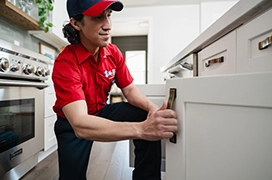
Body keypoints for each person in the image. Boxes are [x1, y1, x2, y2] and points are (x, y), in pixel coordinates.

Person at [52, 0, 178, 179]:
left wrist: (153, 110)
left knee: (144, 113)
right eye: (97, 17)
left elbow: (130, 90)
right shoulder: (65, 63)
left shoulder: (113, 52)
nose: (108, 25)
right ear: (76, 23)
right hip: (72, 124)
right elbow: (80, 124)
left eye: (109, 15)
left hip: (101, 111)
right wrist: (142, 129)